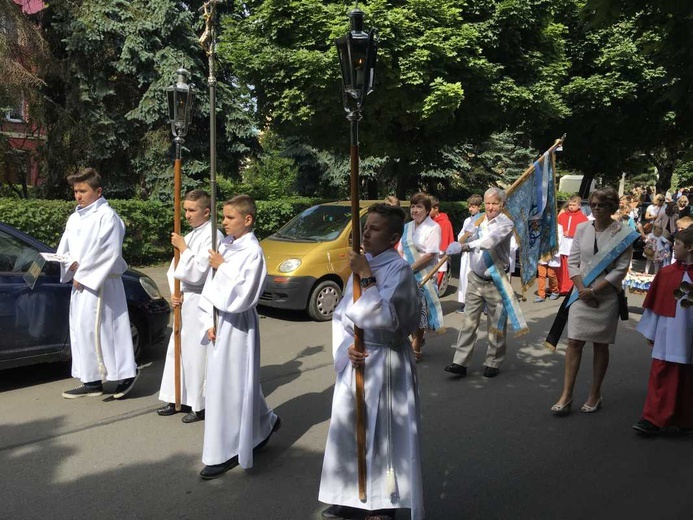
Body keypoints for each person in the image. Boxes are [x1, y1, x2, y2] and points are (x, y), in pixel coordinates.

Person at [319, 203, 423, 520]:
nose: (366, 232)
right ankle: (350, 493)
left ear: (393, 237)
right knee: (350, 429)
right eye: (366, 226)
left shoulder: (399, 271)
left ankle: (383, 501)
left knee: (384, 435)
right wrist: (347, 347)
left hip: (387, 362)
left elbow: (388, 319)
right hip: (358, 360)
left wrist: (366, 276)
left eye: (374, 228)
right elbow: (342, 316)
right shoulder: (363, 265)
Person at [198, 194, 281, 479]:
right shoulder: (227, 245)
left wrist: (223, 266)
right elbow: (210, 284)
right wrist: (208, 317)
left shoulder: (252, 252)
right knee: (232, 383)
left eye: (230, 218)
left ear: (248, 220)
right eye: (223, 216)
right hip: (219, 320)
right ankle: (263, 423)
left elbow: (245, 294)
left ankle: (226, 449)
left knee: (230, 387)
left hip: (237, 324)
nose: (223, 222)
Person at [550, 187, 636, 416]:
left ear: (612, 207)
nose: (596, 208)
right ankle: (566, 394)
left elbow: (620, 270)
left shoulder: (624, 233)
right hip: (581, 294)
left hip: (606, 296)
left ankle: (594, 394)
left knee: (600, 345)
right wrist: (582, 289)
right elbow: (574, 262)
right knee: (574, 342)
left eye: (602, 205)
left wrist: (594, 291)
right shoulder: (581, 228)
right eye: (594, 204)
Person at [57, 168, 138, 400]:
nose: (78, 196)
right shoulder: (74, 218)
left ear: (98, 191)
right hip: (81, 282)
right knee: (82, 330)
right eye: (75, 191)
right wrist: (68, 263)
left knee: (108, 330)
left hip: (102, 284)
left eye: (83, 191)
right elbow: (66, 247)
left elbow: (108, 251)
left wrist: (83, 274)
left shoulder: (107, 216)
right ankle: (91, 379)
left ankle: (125, 374)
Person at [156, 190, 223, 423]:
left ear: (206, 211)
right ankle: (177, 397)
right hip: (185, 300)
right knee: (177, 349)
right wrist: (176, 292)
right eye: (185, 209)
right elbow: (176, 270)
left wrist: (183, 248)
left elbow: (200, 272)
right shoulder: (191, 234)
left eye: (192, 210)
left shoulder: (214, 235)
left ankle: (199, 403)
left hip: (201, 301)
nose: (186, 215)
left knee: (196, 353)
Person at [444, 187, 515, 379]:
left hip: (495, 279)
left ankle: (493, 361)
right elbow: (466, 236)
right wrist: (459, 243)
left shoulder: (506, 223)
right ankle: (460, 362)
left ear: (502, 205)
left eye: (495, 203)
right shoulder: (477, 220)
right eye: (488, 203)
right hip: (475, 278)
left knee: (495, 324)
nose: (490, 207)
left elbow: (489, 242)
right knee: (468, 322)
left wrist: (465, 246)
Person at [633, 227, 693, 435]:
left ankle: (686, 419)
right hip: (667, 335)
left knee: (687, 378)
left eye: (677, 244)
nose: (673, 246)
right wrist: (652, 332)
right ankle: (652, 418)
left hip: (689, 335)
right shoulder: (666, 273)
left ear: (690, 248)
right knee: (662, 374)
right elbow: (655, 305)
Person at [397, 192, 444, 362]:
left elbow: (430, 254)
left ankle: (415, 348)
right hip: (405, 276)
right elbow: (400, 250)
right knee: (404, 312)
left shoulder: (433, 227)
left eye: (419, 207)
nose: (415, 210)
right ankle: (411, 341)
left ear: (427, 210)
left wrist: (410, 268)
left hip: (423, 276)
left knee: (419, 314)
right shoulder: (407, 227)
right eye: (412, 206)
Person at [456, 194, 483, 313]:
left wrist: (472, 241)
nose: (470, 209)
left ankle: (478, 303)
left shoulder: (482, 219)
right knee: (464, 278)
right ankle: (465, 302)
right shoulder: (468, 220)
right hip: (466, 253)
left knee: (476, 279)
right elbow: (461, 235)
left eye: (472, 206)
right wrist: (462, 241)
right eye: (469, 206)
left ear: (479, 207)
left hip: (476, 253)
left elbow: (483, 237)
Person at [556, 195, 588, 294]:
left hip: (573, 246)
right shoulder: (562, 216)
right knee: (560, 267)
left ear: (579, 206)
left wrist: (570, 233)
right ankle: (560, 286)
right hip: (562, 245)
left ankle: (569, 287)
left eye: (573, 205)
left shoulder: (583, 218)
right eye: (569, 205)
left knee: (571, 266)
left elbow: (584, 232)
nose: (571, 207)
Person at [429, 195, 455, 289]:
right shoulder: (428, 220)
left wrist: (440, 251)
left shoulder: (444, 222)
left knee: (437, 277)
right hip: (428, 254)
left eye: (429, 209)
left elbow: (445, 240)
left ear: (436, 208)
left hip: (440, 255)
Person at [535, 224, 564, 302]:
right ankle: (541, 294)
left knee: (551, 274)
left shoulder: (558, 227)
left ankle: (555, 290)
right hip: (542, 252)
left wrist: (556, 252)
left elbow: (560, 240)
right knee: (541, 274)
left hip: (553, 253)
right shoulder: (540, 225)